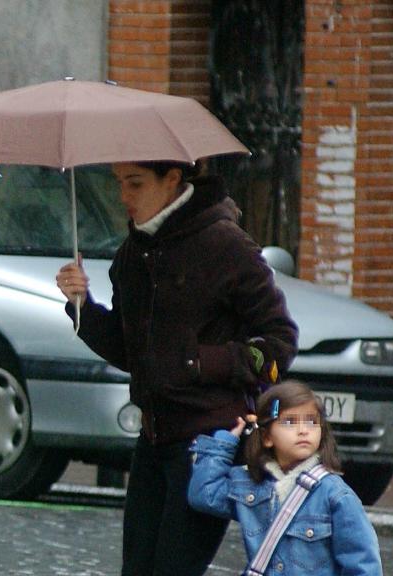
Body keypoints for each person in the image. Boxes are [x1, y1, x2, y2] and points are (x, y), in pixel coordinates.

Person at [55, 161, 298, 576]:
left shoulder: (226, 245)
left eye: (135, 184)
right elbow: (133, 353)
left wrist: (202, 362)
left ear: (172, 180)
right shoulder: (132, 255)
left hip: (210, 442)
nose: (124, 197)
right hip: (153, 440)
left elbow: (279, 344)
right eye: (118, 184)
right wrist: (83, 309)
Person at [188, 381, 382, 575]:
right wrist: (223, 442)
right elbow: (204, 495)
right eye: (290, 422)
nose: (303, 430)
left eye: (312, 421)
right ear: (267, 437)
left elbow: (363, 562)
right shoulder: (250, 485)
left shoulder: (335, 494)